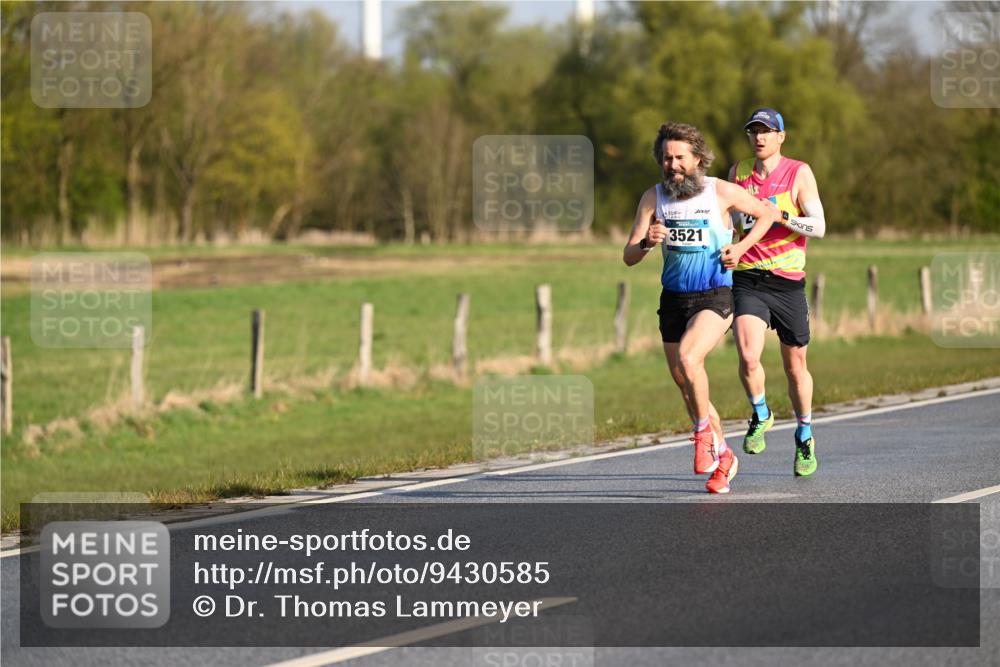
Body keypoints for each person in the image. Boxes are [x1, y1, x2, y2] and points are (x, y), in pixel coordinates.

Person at [623, 121, 781, 494]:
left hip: (714, 294)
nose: (672, 164)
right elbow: (628, 256)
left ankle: (700, 437)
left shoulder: (719, 192)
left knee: (691, 360)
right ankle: (724, 456)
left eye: (680, 157)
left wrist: (741, 249)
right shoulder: (653, 198)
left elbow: (768, 214)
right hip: (674, 299)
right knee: (687, 384)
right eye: (666, 158)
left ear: (697, 158)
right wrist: (647, 242)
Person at [727, 108, 827, 477]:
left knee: (795, 365)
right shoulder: (738, 173)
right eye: (754, 131)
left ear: (781, 136)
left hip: (787, 280)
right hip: (749, 276)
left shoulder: (798, 172)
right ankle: (761, 411)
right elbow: (732, 219)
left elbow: (818, 227)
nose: (760, 137)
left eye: (767, 131)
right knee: (748, 355)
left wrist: (782, 217)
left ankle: (804, 433)